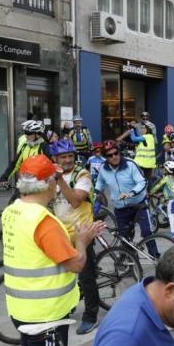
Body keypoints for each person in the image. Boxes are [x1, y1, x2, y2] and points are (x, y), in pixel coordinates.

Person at [3, 155, 103, 346]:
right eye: (55, 180)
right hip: (46, 315)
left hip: (20, 308)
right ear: (48, 184)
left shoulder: (12, 210)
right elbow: (76, 264)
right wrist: (82, 241)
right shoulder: (44, 221)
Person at [49, 139, 101, 335]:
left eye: (70, 156)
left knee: (86, 276)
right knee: (64, 275)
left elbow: (75, 201)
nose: (68, 160)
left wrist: (60, 179)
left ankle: (90, 315)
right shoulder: (50, 177)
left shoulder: (82, 174)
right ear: (55, 159)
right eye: (63, 156)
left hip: (82, 233)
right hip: (61, 233)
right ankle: (66, 306)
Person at [95, 140, 157, 257]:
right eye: (110, 155)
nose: (114, 157)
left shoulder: (130, 164)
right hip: (120, 208)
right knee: (125, 237)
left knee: (147, 232)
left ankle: (156, 257)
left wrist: (131, 193)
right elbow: (100, 182)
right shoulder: (103, 168)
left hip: (138, 204)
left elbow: (142, 182)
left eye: (116, 153)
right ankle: (130, 262)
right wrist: (95, 193)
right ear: (105, 157)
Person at [0, 120, 49, 188]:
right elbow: (15, 164)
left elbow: (50, 166)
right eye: (25, 133)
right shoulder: (25, 147)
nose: (26, 136)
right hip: (25, 183)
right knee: (15, 199)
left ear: (38, 135)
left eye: (29, 133)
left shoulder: (43, 147)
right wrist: (4, 178)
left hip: (39, 184)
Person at [151, 160, 174, 236]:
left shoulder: (166, 178)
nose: (163, 170)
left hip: (172, 200)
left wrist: (150, 192)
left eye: (165, 169)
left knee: (170, 215)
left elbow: (157, 186)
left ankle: (173, 233)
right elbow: (172, 188)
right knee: (173, 212)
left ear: (169, 170)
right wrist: (162, 193)